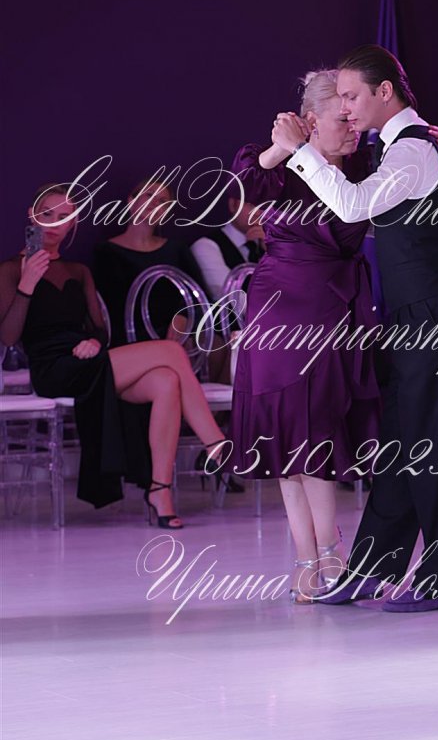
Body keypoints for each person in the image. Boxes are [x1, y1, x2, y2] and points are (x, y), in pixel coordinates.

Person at [229, 70, 438, 604]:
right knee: (288, 434)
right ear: (311, 121)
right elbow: (244, 183)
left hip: (340, 308)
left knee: (319, 429)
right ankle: (309, 559)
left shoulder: (365, 163)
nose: (354, 127)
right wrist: (281, 149)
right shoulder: (280, 165)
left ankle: (337, 555)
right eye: (343, 119)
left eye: (354, 114)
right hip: (282, 306)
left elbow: (426, 147)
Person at [0, 184, 227, 527]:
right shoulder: (10, 269)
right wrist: (27, 283)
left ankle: (160, 491)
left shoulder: (78, 271)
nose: (55, 223)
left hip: (88, 361)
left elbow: (99, 329)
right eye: (47, 214)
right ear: (32, 216)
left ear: (73, 224)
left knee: (166, 380)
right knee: (169, 351)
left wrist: (94, 341)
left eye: (64, 217)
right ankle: (217, 445)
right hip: (52, 369)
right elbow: (8, 337)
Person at [93, 178, 207, 348]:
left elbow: (199, 297)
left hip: (175, 341)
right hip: (129, 343)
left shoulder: (177, 250)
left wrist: (183, 317)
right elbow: (104, 309)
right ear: (132, 200)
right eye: (149, 195)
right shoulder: (106, 252)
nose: (154, 203)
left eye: (162, 201)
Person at [190, 196, 266, 302]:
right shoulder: (206, 246)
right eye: (250, 204)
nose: (258, 213)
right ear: (232, 205)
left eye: (265, 206)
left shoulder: (272, 246)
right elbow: (230, 298)